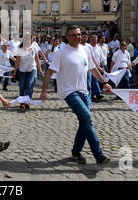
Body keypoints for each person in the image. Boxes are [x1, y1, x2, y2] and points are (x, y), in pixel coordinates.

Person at [41, 26, 112, 165]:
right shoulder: (61, 52)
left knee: (84, 123)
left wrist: (104, 82)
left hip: (84, 91)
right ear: (66, 37)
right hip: (69, 91)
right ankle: (98, 154)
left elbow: (92, 69)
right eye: (73, 35)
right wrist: (43, 91)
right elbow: (49, 73)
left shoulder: (85, 49)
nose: (77, 37)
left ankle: (75, 153)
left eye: (78, 34)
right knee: (87, 118)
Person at [12, 35, 43, 111]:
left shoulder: (34, 47)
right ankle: (22, 103)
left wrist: (40, 68)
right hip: (22, 70)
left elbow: (37, 59)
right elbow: (17, 61)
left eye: (32, 40)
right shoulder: (20, 48)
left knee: (29, 84)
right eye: (30, 40)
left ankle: (27, 102)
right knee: (22, 87)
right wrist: (15, 72)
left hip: (32, 69)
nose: (32, 42)